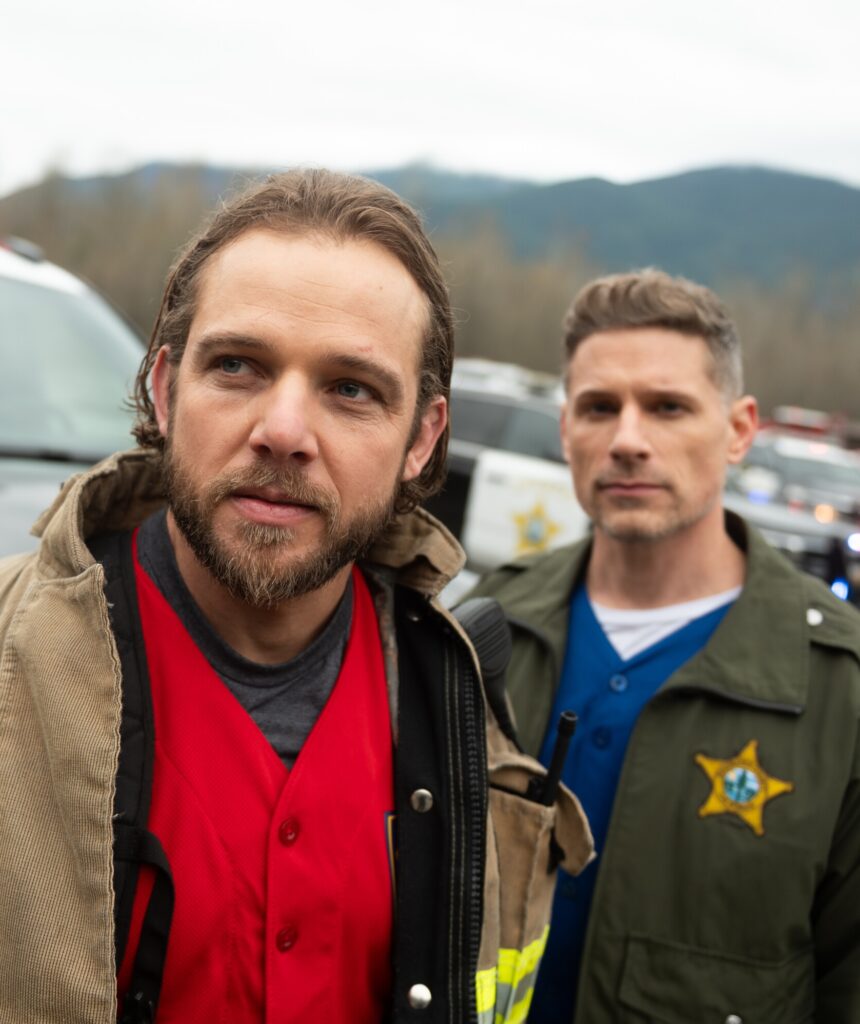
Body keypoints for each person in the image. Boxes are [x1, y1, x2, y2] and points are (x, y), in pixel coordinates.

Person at [0, 170, 592, 1024]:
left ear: (423, 439)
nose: (283, 432)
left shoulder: (459, 712)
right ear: (164, 390)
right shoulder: (13, 665)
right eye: (237, 366)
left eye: (351, 389)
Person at [469, 269, 860, 1023]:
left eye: (667, 407)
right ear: (565, 431)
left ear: (739, 430)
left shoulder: (838, 686)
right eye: (599, 408)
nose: (627, 441)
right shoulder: (488, 631)